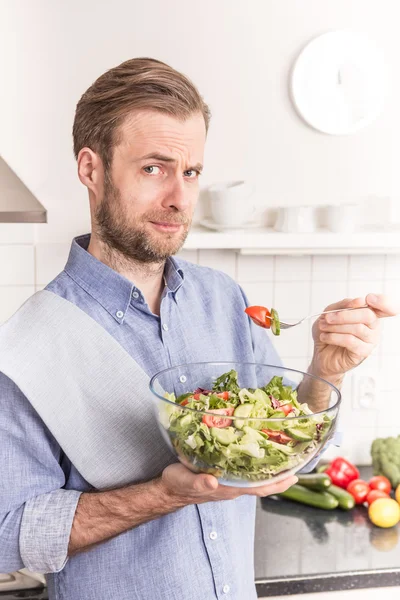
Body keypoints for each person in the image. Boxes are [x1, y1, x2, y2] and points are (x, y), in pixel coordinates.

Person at [0, 57, 397, 600]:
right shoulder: (29, 346)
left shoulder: (224, 299)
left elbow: (287, 440)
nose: (180, 199)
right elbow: (8, 533)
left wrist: (325, 372)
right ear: (91, 170)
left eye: (190, 173)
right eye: (153, 169)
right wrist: (165, 494)